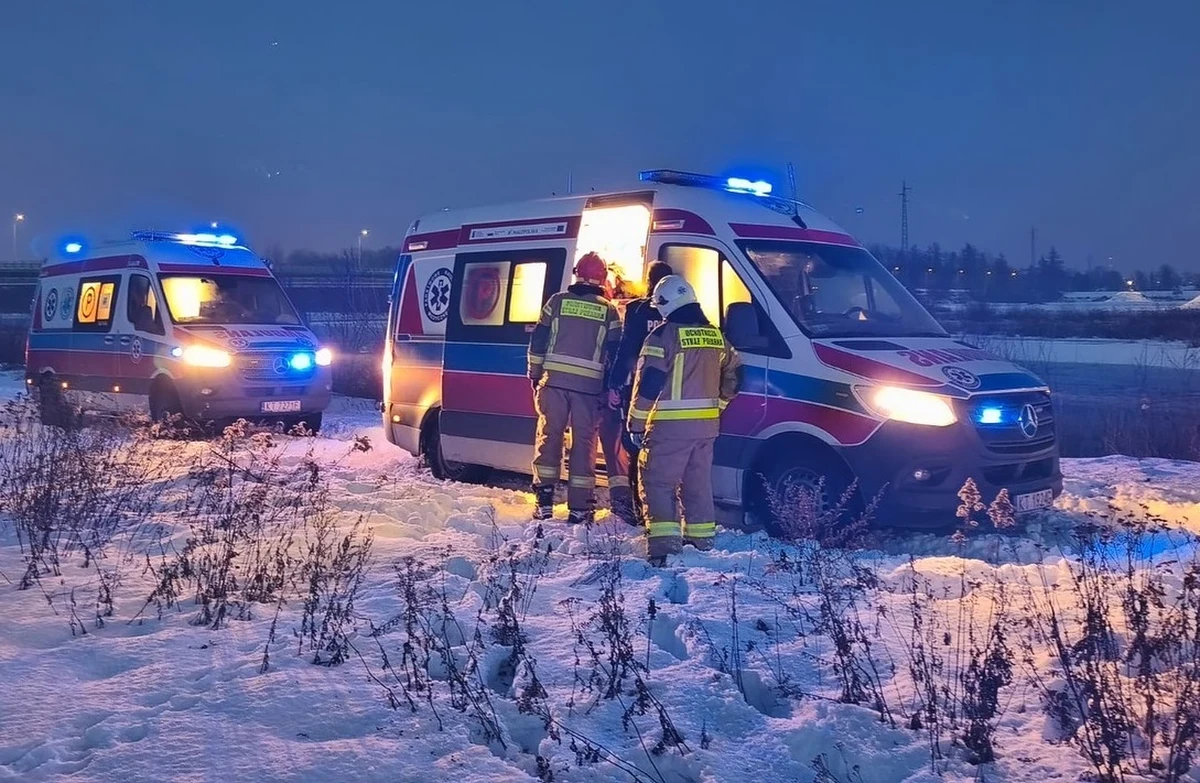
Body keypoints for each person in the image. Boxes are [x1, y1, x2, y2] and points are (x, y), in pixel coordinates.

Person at [626, 275, 741, 564]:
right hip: (706, 429)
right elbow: (736, 376)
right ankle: (701, 542)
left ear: (665, 304)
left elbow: (650, 383)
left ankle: (664, 550)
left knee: (658, 483)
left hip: (669, 428)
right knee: (698, 484)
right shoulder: (717, 336)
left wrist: (635, 423)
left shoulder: (663, 337)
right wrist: (719, 406)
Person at [527, 252, 622, 524]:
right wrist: (610, 386)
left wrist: (535, 374)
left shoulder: (556, 303)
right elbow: (615, 352)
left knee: (550, 437)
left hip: (553, 383)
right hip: (589, 390)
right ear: (602, 278)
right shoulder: (609, 310)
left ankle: (544, 502)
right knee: (584, 444)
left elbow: (538, 342)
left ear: (577, 274)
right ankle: (580, 508)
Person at [599, 261, 673, 524]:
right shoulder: (678, 314)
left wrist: (615, 384)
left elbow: (626, 351)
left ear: (650, 282)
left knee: (634, 447)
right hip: (673, 392)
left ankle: (637, 507)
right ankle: (662, 509)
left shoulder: (636, 310)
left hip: (640, 390)